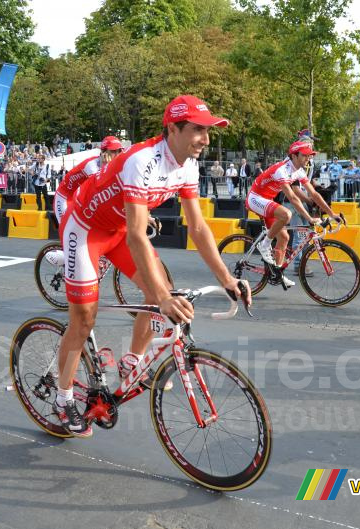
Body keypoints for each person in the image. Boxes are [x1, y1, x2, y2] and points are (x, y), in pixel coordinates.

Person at [53, 95, 249, 436]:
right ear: (172, 128)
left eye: (208, 131)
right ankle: (63, 397)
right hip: (85, 230)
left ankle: (133, 361)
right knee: (84, 319)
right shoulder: (141, 161)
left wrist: (227, 278)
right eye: (198, 130)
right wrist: (162, 297)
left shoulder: (188, 164)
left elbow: (199, 227)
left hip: (117, 231)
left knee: (160, 291)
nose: (205, 139)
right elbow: (136, 235)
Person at [246, 140, 341, 286]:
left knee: (284, 237)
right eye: (304, 155)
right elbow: (293, 197)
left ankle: (277, 273)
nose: (308, 158)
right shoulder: (282, 169)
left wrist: (332, 213)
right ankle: (264, 245)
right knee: (286, 214)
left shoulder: (298, 171)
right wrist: (309, 218)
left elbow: (314, 194)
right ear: (294, 156)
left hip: (267, 201)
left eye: (309, 156)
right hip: (255, 199)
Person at [53, 136, 124, 221]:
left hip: (78, 198)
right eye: (113, 151)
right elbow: (100, 189)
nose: (117, 154)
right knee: (66, 228)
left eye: (119, 151)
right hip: (64, 197)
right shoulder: (91, 165)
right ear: (103, 152)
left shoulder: (111, 164)